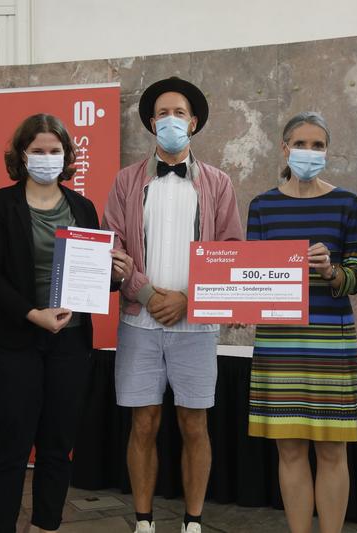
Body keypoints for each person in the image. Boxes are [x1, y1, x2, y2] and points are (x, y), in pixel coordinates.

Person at [0, 113, 132, 533]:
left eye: (54, 151)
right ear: (22, 156)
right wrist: (32, 313)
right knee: (10, 447)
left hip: (71, 344)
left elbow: (92, 279)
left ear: (67, 156)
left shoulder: (82, 206)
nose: (46, 157)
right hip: (13, 342)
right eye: (38, 151)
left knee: (58, 448)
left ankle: (46, 525)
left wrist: (115, 275)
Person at [102, 77, 243, 533]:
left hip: (196, 325)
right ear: (150, 123)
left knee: (194, 423)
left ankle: (193, 521)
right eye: (162, 113)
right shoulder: (126, 181)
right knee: (143, 422)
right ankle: (143, 521)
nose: (171, 121)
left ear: (194, 122)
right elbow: (114, 249)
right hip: (139, 322)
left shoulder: (219, 184)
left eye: (179, 113)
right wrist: (147, 294)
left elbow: (232, 251)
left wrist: (187, 299)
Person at [245, 112, 357, 533]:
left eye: (318, 146)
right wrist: (237, 300)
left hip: (331, 340)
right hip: (278, 341)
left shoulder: (346, 203)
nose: (309, 153)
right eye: (302, 144)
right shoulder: (262, 206)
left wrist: (331, 271)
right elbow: (250, 277)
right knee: (290, 450)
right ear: (284, 148)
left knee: (333, 451)